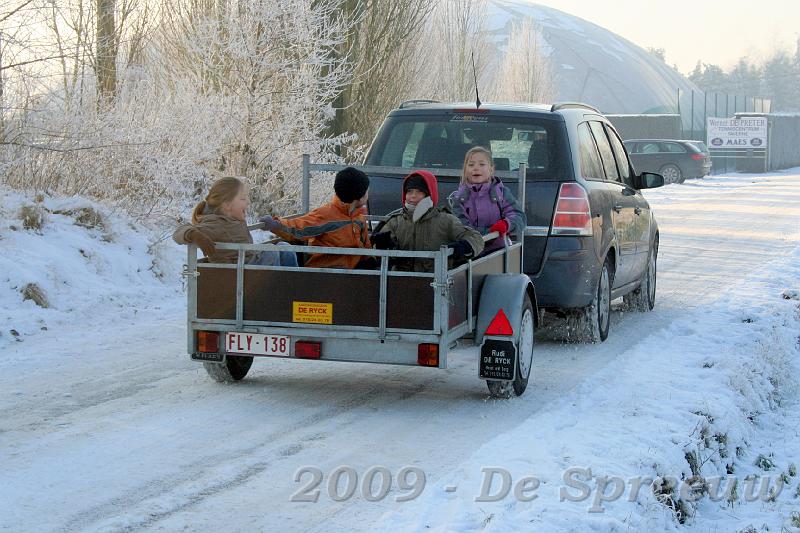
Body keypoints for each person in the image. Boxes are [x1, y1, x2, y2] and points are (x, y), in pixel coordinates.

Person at [259, 167, 372, 269]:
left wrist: (372, 260)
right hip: (324, 274)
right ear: (359, 195)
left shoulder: (359, 219)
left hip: (350, 274)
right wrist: (276, 225)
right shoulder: (326, 215)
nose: (368, 193)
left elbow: (366, 247)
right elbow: (300, 228)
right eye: (367, 191)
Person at [371, 170, 484, 272]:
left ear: (430, 194)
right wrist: (381, 247)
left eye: (419, 191)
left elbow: (476, 238)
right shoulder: (396, 222)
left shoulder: (445, 220)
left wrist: (464, 246)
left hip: (435, 283)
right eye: (409, 191)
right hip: (401, 284)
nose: (413, 196)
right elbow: (375, 252)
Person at [173, 176, 298, 266]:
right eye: (243, 199)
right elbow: (178, 233)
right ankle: (281, 291)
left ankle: (294, 289)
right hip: (237, 275)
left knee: (285, 248)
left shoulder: (233, 219)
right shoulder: (214, 224)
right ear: (227, 205)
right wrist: (195, 235)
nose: (248, 202)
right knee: (272, 253)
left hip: (248, 265)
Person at [449, 146, 526, 255]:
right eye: (471, 165)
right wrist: (475, 239)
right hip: (471, 253)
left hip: (499, 252)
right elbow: (460, 224)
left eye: (482, 164)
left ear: (491, 169)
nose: (476, 168)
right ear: (465, 170)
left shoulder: (502, 193)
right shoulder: (459, 198)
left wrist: (506, 224)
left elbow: (519, 217)